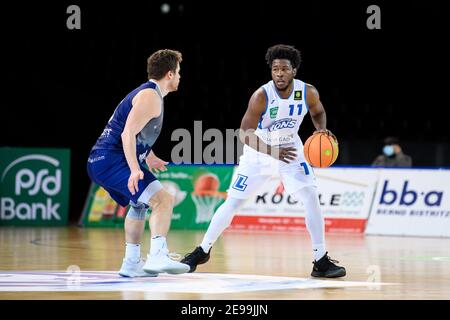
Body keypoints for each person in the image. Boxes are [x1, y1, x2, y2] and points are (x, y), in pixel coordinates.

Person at [181, 44, 346, 278]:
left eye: (284, 69)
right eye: (275, 69)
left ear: (294, 71)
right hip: (259, 151)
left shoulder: (307, 91)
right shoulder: (261, 95)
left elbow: (317, 112)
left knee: (310, 196)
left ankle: (320, 260)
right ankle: (202, 250)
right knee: (233, 203)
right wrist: (272, 151)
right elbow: (244, 132)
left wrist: (322, 130)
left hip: (291, 149)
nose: (279, 73)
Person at [87, 49, 190, 277]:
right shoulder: (150, 96)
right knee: (164, 199)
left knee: (139, 204)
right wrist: (135, 169)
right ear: (170, 74)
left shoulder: (150, 95)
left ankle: (131, 263)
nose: (181, 77)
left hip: (102, 161)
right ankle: (157, 255)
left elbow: (136, 133)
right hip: (112, 160)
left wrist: (149, 156)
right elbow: (127, 134)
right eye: (180, 72)